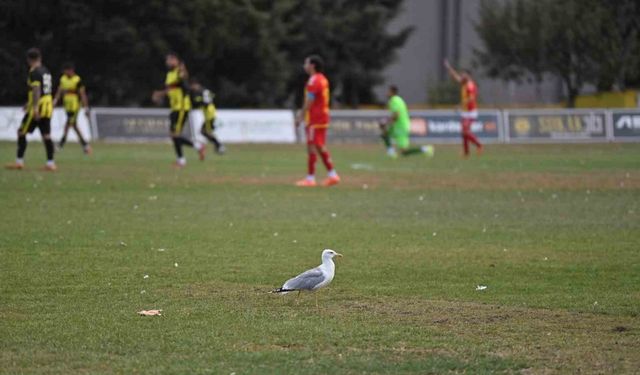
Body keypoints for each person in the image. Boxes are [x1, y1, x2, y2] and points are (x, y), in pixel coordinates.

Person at [6, 48, 56, 171]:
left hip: (38, 106)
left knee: (21, 132)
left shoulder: (34, 72)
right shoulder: (46, 71)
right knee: (46, 135)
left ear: (29, 60)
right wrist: (28, 103)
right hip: (47, 107)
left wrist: (34, 107)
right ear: (40, 58)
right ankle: (50, 163)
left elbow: (36, 90)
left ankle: (19, 162)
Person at [152, 52, 205, 167]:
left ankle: (190, 153)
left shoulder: (179, 71)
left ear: (176, 60)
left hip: (181, 107)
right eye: (167, 60)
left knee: (175, 134)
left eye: (170, 60)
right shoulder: (169, 74)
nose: (168, 62)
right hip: (174, 107)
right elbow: (170, 89)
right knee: (173, 135)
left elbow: (184, 78)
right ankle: (184, 157)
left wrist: (183, 69)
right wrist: (160, 94)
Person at [295, 55, 340, 187]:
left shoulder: (313, 81)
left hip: (315, 118)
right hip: (322, 117)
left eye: (306, 63)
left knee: (311, 147)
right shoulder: (323, 79)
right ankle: (333, 175)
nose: (304, 66)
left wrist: (300, 116)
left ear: (312, 65)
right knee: (319, 146)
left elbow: (310, 100)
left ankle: (310, 178)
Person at [380, 85, 433, 158]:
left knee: (404, 152)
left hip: (401, 126)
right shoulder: (399, 99)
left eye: (388, 92)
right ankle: (391, 153)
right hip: (398, 125)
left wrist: (386, 121)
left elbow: (396, 115)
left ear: (392, 92)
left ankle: (426, 149)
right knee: (384, 132)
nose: (387, 93)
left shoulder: (394, 100)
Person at [444, 59, 483, 157]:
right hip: (465, 112)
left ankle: (479, 145)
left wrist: (459, 105)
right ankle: (466, 152)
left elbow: (471, 99)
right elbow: (455, 77)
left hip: (471, 112)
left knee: (464, 131)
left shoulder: (470, 85)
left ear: (468, 75)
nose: (461, 76)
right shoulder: (464, 83)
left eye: (463, 74)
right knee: (464, 133)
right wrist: (449, 68)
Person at [51, 61, 92, 155]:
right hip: (67, 106)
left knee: (68, 124)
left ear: (71, 70)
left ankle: (60, 145)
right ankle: (86, 146)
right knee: (73, 125)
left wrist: (86, 108)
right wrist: (55, 101)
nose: (65, 73)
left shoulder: (77, 80)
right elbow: (59, 91)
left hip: (75, 106)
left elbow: (82, 94)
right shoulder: (63, 79)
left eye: (66, 71)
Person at [189, 78, 225, 155]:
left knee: (205, 131)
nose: (192, 88)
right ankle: (218, 145)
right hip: (209, 114)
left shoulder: (202, 92)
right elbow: (211, 97)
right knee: (205, 132)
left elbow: (207, 102)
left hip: (209, 114)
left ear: (196, 85)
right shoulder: (202, 92)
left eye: (192, 86)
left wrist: (198, 103)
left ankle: (219, 145)